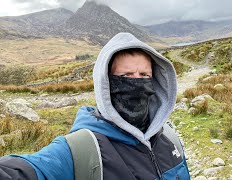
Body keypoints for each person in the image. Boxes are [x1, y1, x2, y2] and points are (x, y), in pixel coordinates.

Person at [0, 32, 190, 180]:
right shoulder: (80, 151)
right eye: (126, 76)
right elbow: (30, 170)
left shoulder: (169, 137)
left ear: (155, 81)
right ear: (106, 83)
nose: (137, 82)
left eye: (144, 75)